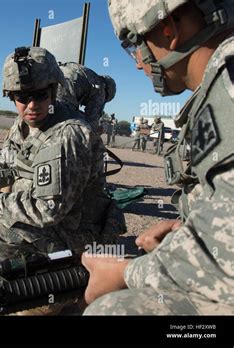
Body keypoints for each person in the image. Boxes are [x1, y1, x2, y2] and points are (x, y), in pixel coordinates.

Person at [82, 0, 234, 315]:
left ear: (169, 31)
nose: (138, 63)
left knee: (112, 311)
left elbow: (227, 262)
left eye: (135, 47)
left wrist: (127, 273)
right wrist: (188, 230)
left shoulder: (228, 83)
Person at [0, 47, 126, 307]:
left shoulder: (69, 134)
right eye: (22, 96)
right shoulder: (24, 125)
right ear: (11, 96)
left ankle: (77, 277)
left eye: (40, 95)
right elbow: (9, 166)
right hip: (52, 219)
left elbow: (47, 211)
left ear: (53, 90)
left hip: (77, 230)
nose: (32, 105)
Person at [57, 62, 117, 130]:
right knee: (64, 122)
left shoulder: (91, 76)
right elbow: (91, 119)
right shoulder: (101, 89)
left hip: (56, 72)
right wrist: (96, 130)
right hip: (68, 84)